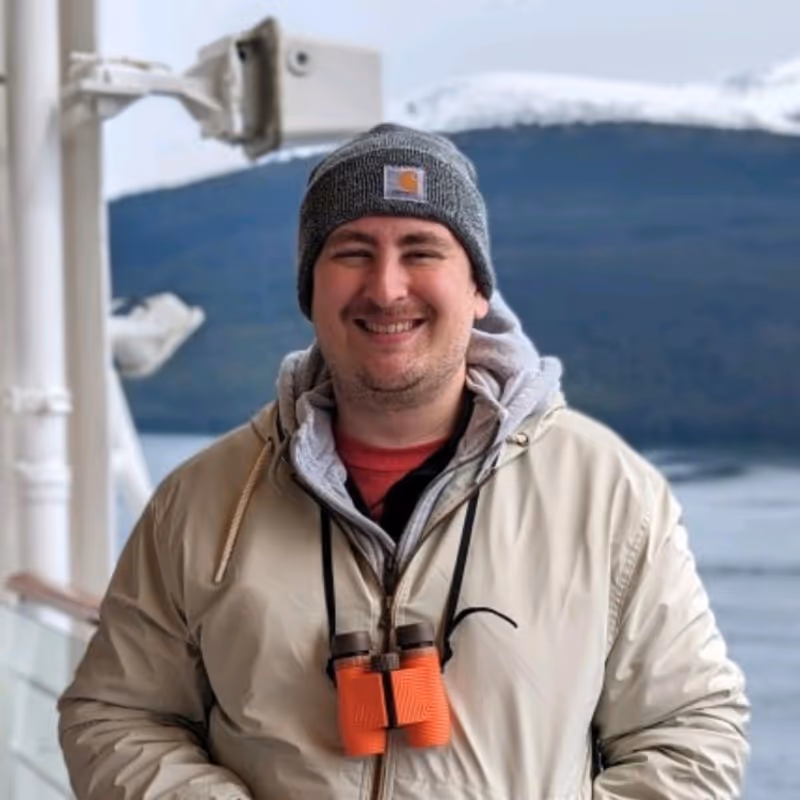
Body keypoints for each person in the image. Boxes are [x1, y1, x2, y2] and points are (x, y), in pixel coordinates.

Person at [58, 123, 749, 799]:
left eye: (422, 250)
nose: (387, 288)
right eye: (353, 252)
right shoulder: (202, 500)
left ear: (479, 289)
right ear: (310, 290)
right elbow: (116, 714)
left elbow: (691, 732)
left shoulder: (608, 494)